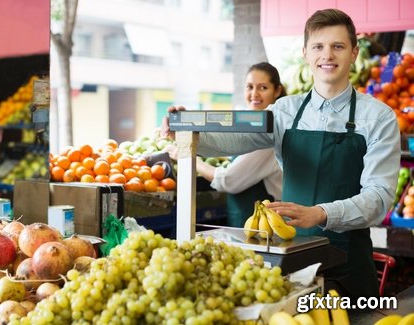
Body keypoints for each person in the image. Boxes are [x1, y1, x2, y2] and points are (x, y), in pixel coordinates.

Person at [161, 8, 401, 299]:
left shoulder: (379, 117)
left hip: (350, 264)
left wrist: (320, 214)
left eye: (338, 46)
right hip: (291, 258)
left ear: (353, 53)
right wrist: (188, 128)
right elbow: (233, 141)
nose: (328, 55)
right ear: (305, 53)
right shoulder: (284, 111)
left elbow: (378, 198)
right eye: (318, 47)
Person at [166, 62, 285, 228]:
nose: (254, 94)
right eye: (249, 87)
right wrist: (185, 129)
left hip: (264, 224)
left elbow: (229, 180)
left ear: (277, 91)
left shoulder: (271, 134)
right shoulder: (249, 125)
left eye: (263, 88)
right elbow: (220, 142)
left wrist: (189, 158)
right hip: (244, 218)